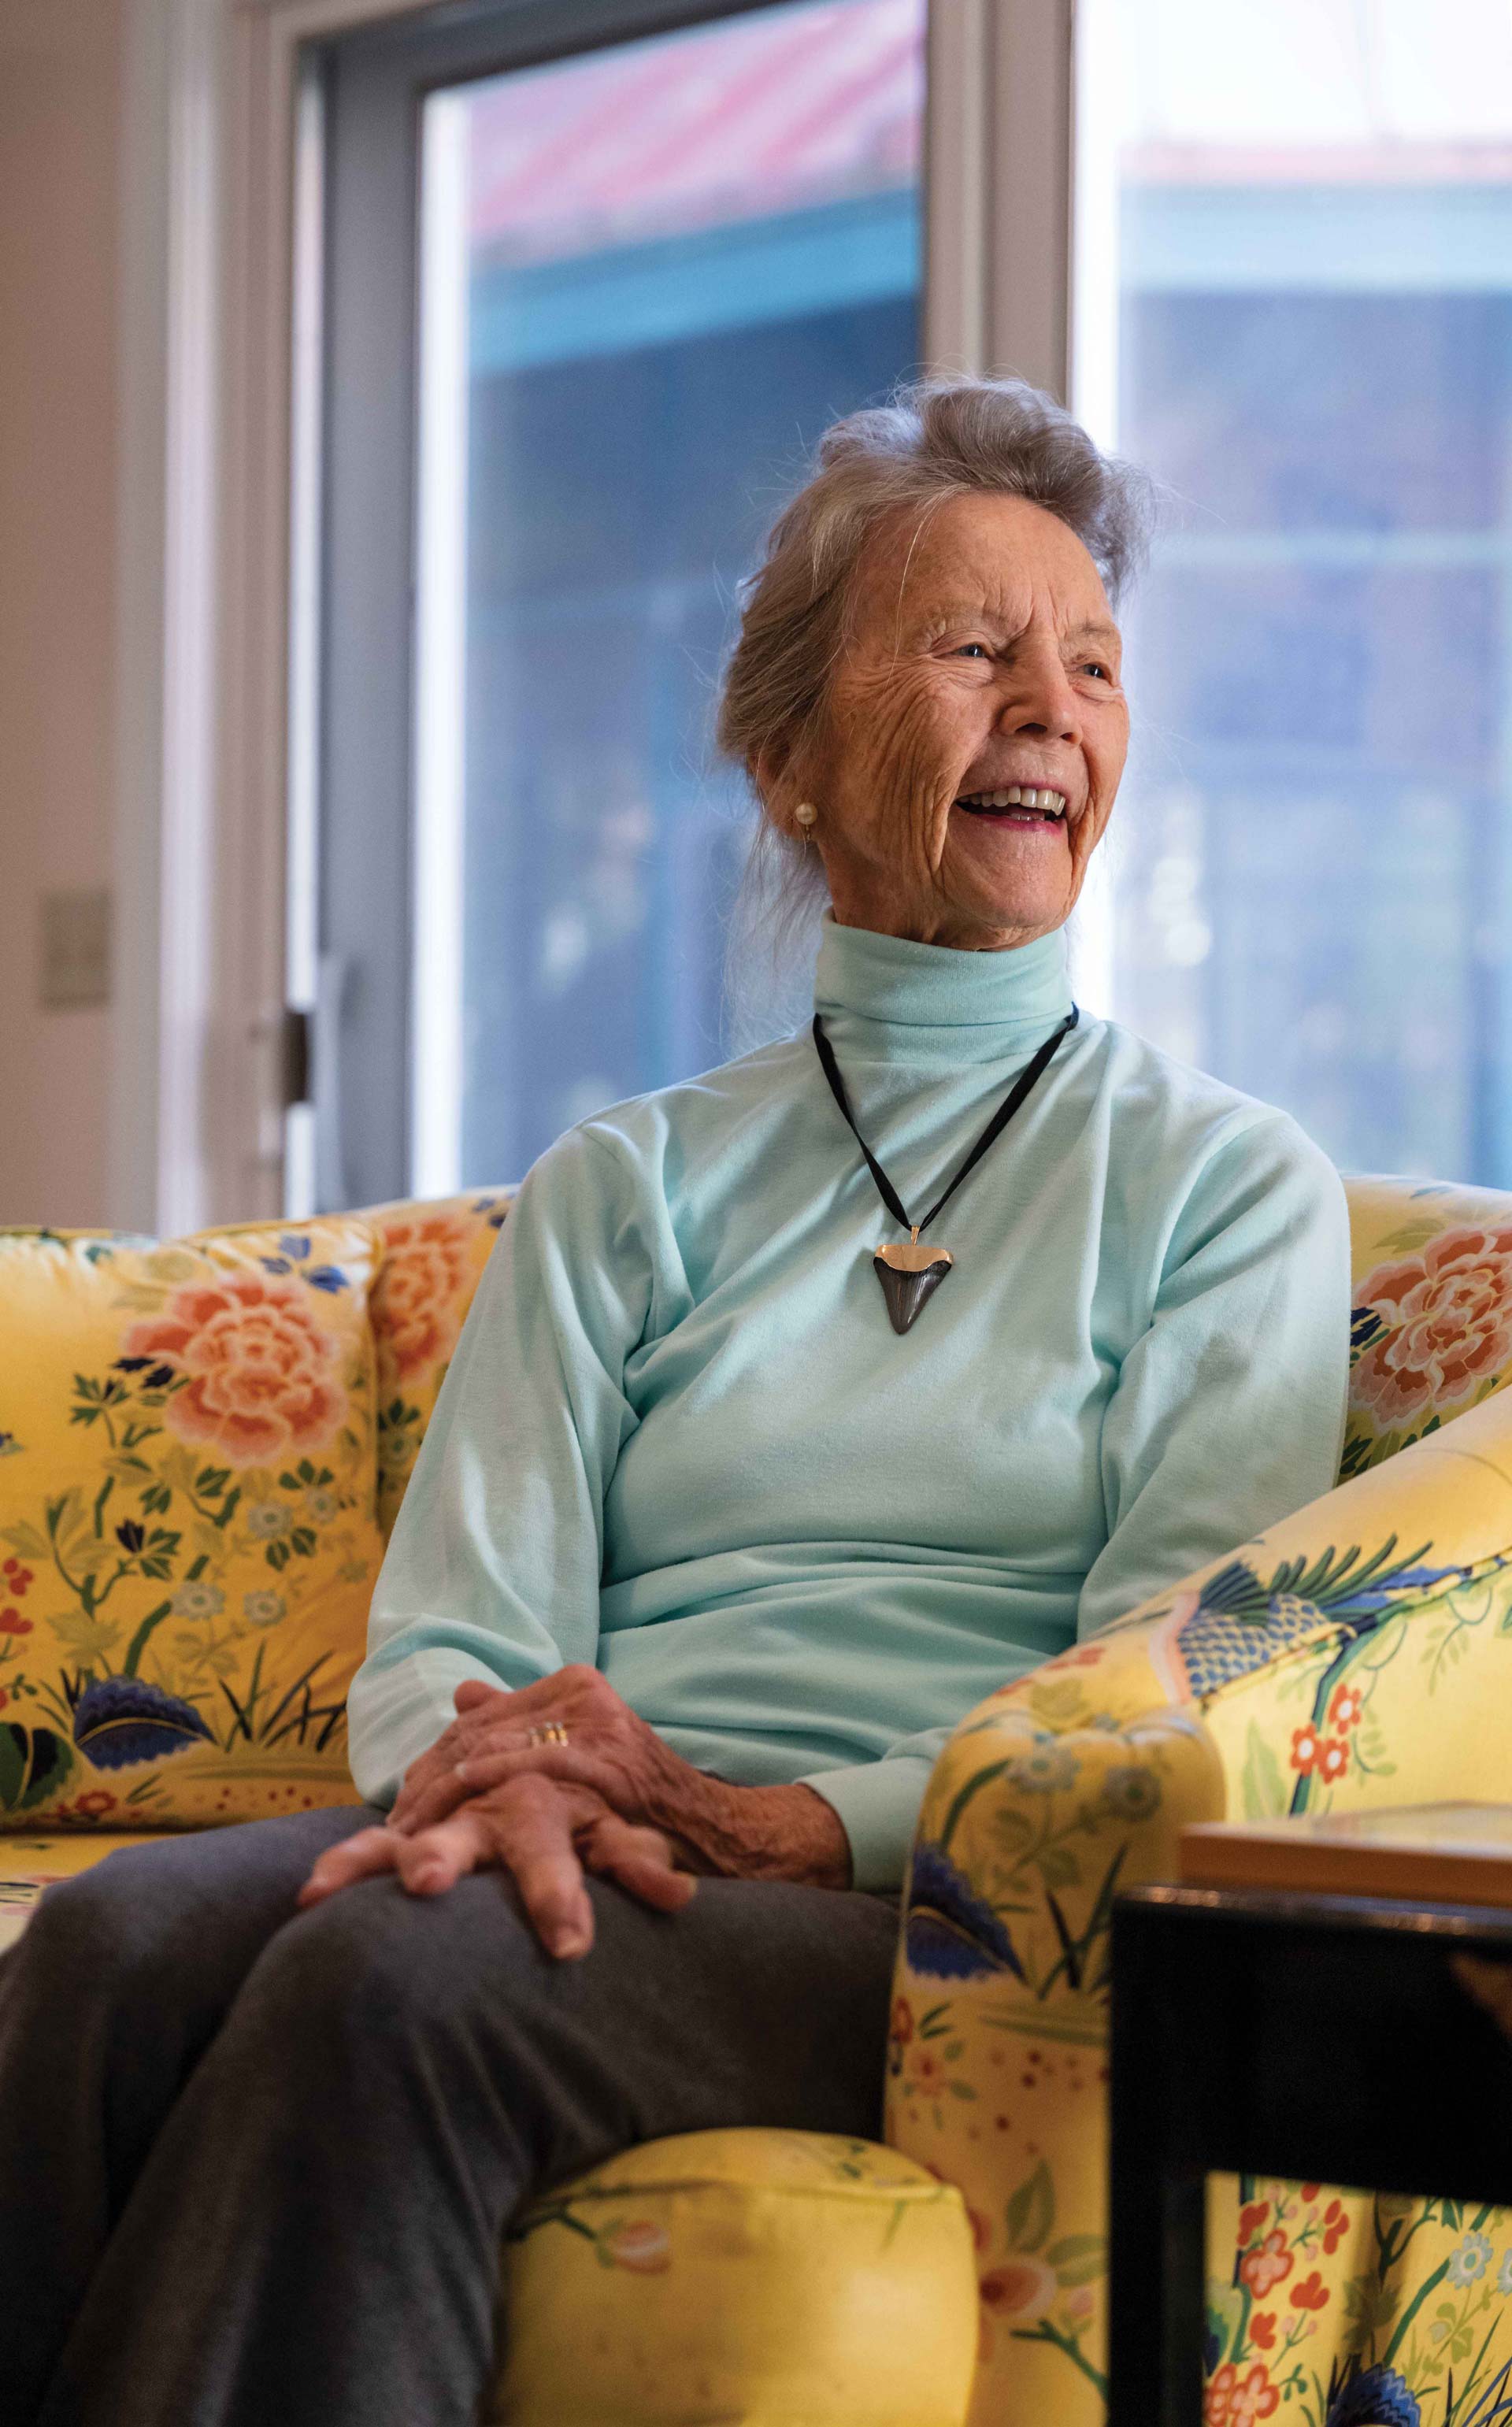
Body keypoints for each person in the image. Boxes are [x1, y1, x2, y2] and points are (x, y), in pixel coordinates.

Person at [2, 376, 1350, 2427]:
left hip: (919, 1908)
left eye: (1089, 661)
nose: (1051, 708)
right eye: (976, 646)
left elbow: (1169, 1666)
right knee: (109, 1955)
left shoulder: (1226, 1187)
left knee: (399, 1984)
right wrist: (516, 1776)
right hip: (593, 1846)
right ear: (787, 758)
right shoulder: (626, 1183)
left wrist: (800, 1820)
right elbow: (456, 1628)